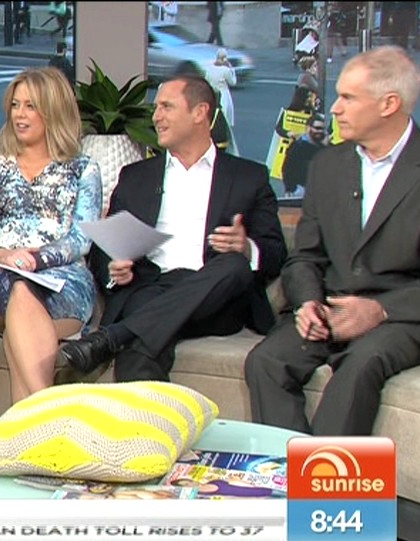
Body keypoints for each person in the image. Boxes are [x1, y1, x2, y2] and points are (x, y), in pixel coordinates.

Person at [244, 45, 420, 440]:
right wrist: (307, 303)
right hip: (330, 306)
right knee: (266, 361)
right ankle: (288, 469)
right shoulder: (327, 164)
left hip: (402, 317)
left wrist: (380, 310)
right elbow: (305, 256)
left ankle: (322, 476)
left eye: (348, 98)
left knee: (359, 368)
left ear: (389, 104)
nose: (335, 109)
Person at [60, 73, 286, 382]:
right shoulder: (135, 176)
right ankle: (148, 412)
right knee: (141, 345)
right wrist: (113, 268)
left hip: (216, 297)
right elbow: (103, 249)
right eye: (156, 108)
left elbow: (276, 252)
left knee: (234, 265)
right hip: (150, 288)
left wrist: (247, 248)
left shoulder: (248, 177)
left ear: (199, 112)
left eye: (166, 107)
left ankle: (115, 335)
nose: (156, 117)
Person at [0, 67, 102, 402]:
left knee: (20, 325)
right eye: (15, 105)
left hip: (64, 282)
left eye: (31, 106)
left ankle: (28, 423)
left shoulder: (83, 169)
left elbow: (81, 239)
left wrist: (35, 259)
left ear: (53, 111)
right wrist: (4, 256)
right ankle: (46, 411)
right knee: (20, 289)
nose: (19, 115)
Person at [281, 113, 327, 198]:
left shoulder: (323, 148)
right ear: (308, 128)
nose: (320, 131)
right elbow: (287, 169)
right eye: (317, 128)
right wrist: (291, 189)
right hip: (300, 191)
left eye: (322, 129)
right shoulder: (297, 147)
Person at [203, 48, 236, 136]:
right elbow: (233, 82)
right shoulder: (226, 70)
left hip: (212, 93)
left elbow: (206, 80)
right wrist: (232, 69)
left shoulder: (209, 68)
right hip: (223, 94)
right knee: (224, 114)